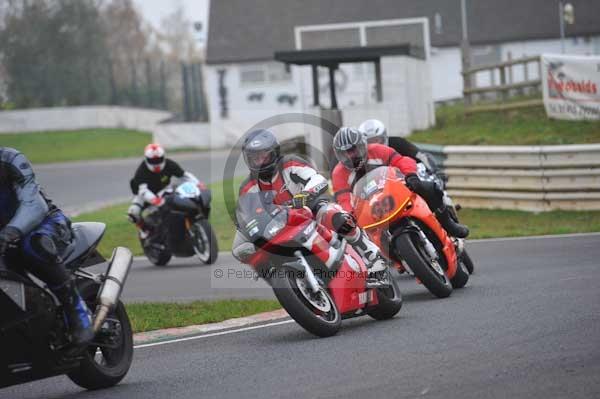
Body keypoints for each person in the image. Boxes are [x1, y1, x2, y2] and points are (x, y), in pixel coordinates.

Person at [232, 129, 388, 279]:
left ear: (274, 153)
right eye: (255, 158)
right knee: (254, 255)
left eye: (263, 156)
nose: (259, 162)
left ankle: (372, 255)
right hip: (281, 227)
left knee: (336, 217)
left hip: (311, 207)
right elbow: (245, 215)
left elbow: (317, 179)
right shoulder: (247, 187)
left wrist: (305, 194)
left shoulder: (290, 163)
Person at [0, 147, 93, 345]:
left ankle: (76, 309)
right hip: (4, 236)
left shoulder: (10, 160)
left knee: (34, 245)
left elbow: (34, 204)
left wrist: (10, 232)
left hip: (44, 223)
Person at [331, 127, 469, 239]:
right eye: (345, 153)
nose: (350, 156)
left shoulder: (377, 150)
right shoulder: (338, 173)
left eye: (353, 150)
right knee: (350, 231)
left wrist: (411, 175)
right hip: (369, 206)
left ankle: (448, 224)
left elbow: (401, 161)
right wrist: (350, 215)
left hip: (394, 187)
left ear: (362, 145)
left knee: (428, 187)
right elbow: (343, 199)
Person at [127, 143, 200, 238]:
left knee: (180, 202)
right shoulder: (141, 170)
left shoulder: (169, 164)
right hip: (144, 196)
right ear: (146, 159)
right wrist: (156, 200)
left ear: (163, 157)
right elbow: (143, 191)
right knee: (133, 213)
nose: (156, 163)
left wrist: (198, 184)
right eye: (153, 161)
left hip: (165, 189)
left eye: (158, 160)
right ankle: (144, 230)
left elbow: (184, 175)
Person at [358, 119, 438, 172]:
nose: (375, 144)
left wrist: (435, 172)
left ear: (384, 136)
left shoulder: (398, 143)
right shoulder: (360, 156)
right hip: (374, 192)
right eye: (370, 141)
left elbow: (421, 155)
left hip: (405, 183)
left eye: (377, 140)